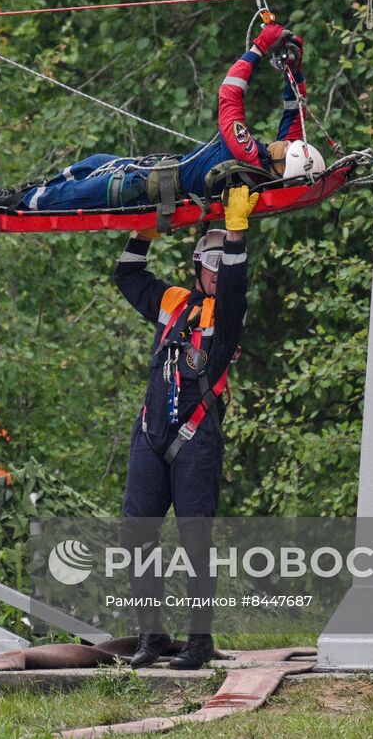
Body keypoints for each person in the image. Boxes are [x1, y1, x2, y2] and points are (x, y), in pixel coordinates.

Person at [112, 184, 257, 671]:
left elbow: (235, 287)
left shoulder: (230, 314)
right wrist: (146, 231)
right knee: (138, 533)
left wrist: (235, 235)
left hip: (197, 436)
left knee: (195, 539)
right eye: (210, 264)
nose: (217, 274)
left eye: (223, 266)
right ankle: (152, 635)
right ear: (197, 266)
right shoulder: (173, 302)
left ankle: (198, 643)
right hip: (151, 433)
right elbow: (128, 276)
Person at [0, 21, 322, 211]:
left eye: (280, 150)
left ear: (277, 168)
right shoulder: (273, 165)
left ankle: (0, 203)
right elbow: (294, 111)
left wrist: (258, 47)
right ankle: (21, 191)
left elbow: (229, 95)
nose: (279, 144)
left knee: (74, 194)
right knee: (93, 163)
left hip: (144, 191)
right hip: (155, 172)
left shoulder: (248, 158)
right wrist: (294, 67)